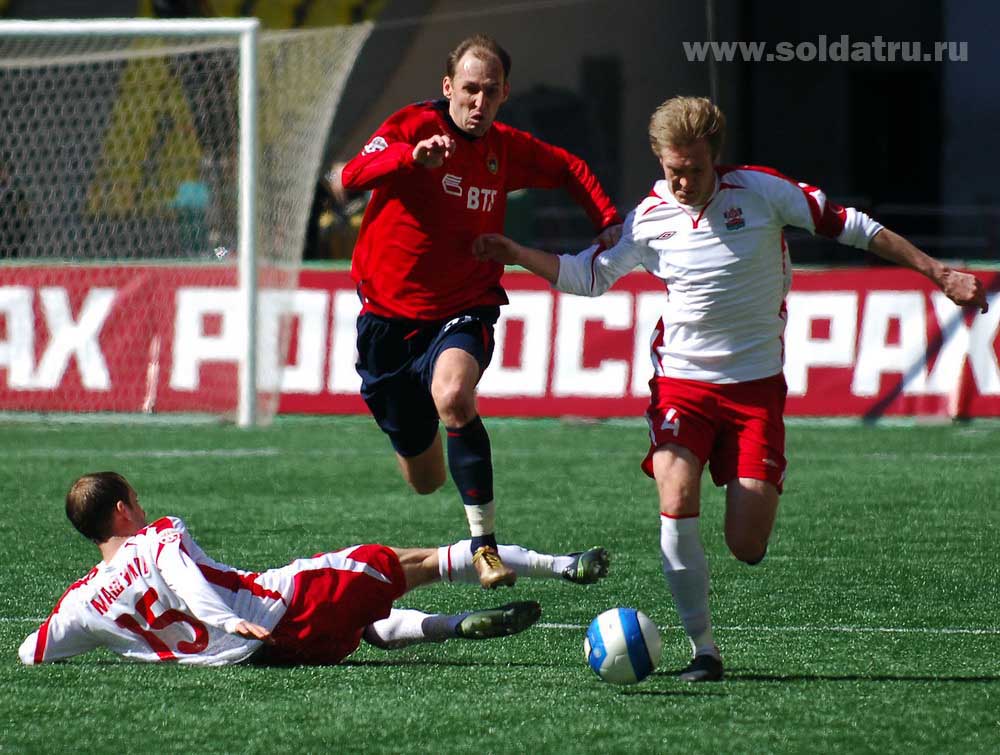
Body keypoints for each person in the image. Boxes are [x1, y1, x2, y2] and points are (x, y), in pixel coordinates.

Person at [473, 96, 989, 682]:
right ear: (660, 161)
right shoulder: (648, 218)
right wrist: (516, 254)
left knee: (747, 544)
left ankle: (755, 492)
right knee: (675, 486)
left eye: (695, 169)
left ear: (715, 158)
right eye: (673, 170)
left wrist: (939, 272)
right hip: (682, 384)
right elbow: (588, 276)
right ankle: (705, 650)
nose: (684, 181)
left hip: (755, 389)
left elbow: (856, 229)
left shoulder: (763, 192)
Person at [333, 34, 621, 589]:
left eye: (490, 92)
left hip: (463, 309)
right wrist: (407, 159)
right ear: (448, 88)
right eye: (469, 90)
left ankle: (483, 543)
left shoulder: (505, 149)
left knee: (453, 395)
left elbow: (569, 168)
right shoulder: (412, 126)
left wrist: (607, 220)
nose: (478, 102)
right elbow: (350, 179)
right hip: (386, 326)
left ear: (504, 94)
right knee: (423, 479)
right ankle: (438, 443)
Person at [19, 472, 610, 667]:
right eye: (136, 501)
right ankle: (563, 567)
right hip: (281, 606)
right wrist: (227, 615)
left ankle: (454, 627)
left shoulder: (82, 603)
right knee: (418, 562)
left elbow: (32, 651)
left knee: (365, 625)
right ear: (123, 511)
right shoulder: (154, 538)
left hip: (280, 655)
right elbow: (185, 582)